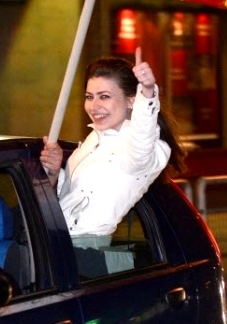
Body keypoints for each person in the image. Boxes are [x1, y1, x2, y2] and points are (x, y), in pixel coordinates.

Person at [40, 48, 186, 274]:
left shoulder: (147, 149)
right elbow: (65, 198)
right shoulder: (93, 139)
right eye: (90, 96)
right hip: (55, 241)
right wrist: (54, 171)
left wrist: (147, 92)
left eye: (104, 96)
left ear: (131, 101)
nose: (93, 106)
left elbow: (140, 142)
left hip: (86, 253)